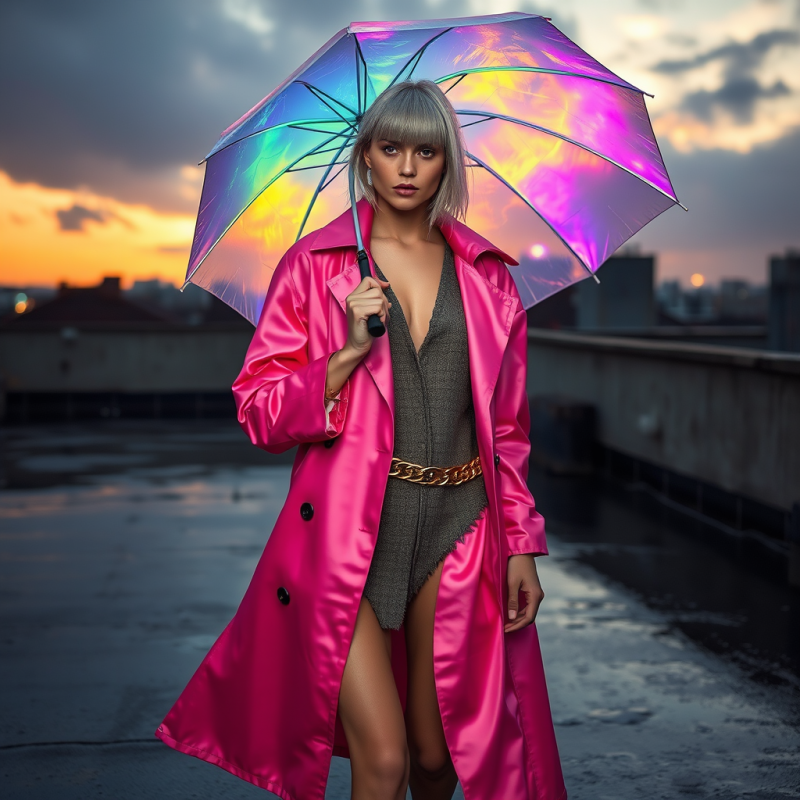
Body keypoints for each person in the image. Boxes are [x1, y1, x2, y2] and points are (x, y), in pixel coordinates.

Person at [156, 80, 567, 800]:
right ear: (365, 158)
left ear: (447, 164)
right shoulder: (312, 269)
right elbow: (258, 411)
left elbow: (507, 429)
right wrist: (344, 354)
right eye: (391, 148)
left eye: (427, 151)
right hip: (351, 534)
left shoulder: (489, 278)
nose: (408, 167)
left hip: (461, 524)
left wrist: (523, 543)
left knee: (440, 760)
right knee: (384, 762)